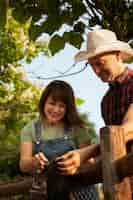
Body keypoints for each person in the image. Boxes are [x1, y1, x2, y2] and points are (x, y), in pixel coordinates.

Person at [56, 29, 133, 184]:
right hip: (122, 182)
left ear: (117, 55)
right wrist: (79, 162)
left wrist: (86, 153)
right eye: (91, 66)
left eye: (100, 63)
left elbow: (129, 129)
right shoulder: (106, 101)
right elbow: (114, 145)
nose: (96, 71)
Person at [20, 80, 98, 199]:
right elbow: (23, 164)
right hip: (47, 192)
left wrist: (77, 163)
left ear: (68, 108)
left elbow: (88, 161)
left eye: (62, 106)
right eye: (52, 103)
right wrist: (33, 162)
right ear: (44, 102)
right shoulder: (29, 129)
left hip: (80, 191)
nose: (56, 110)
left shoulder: (77, 129)